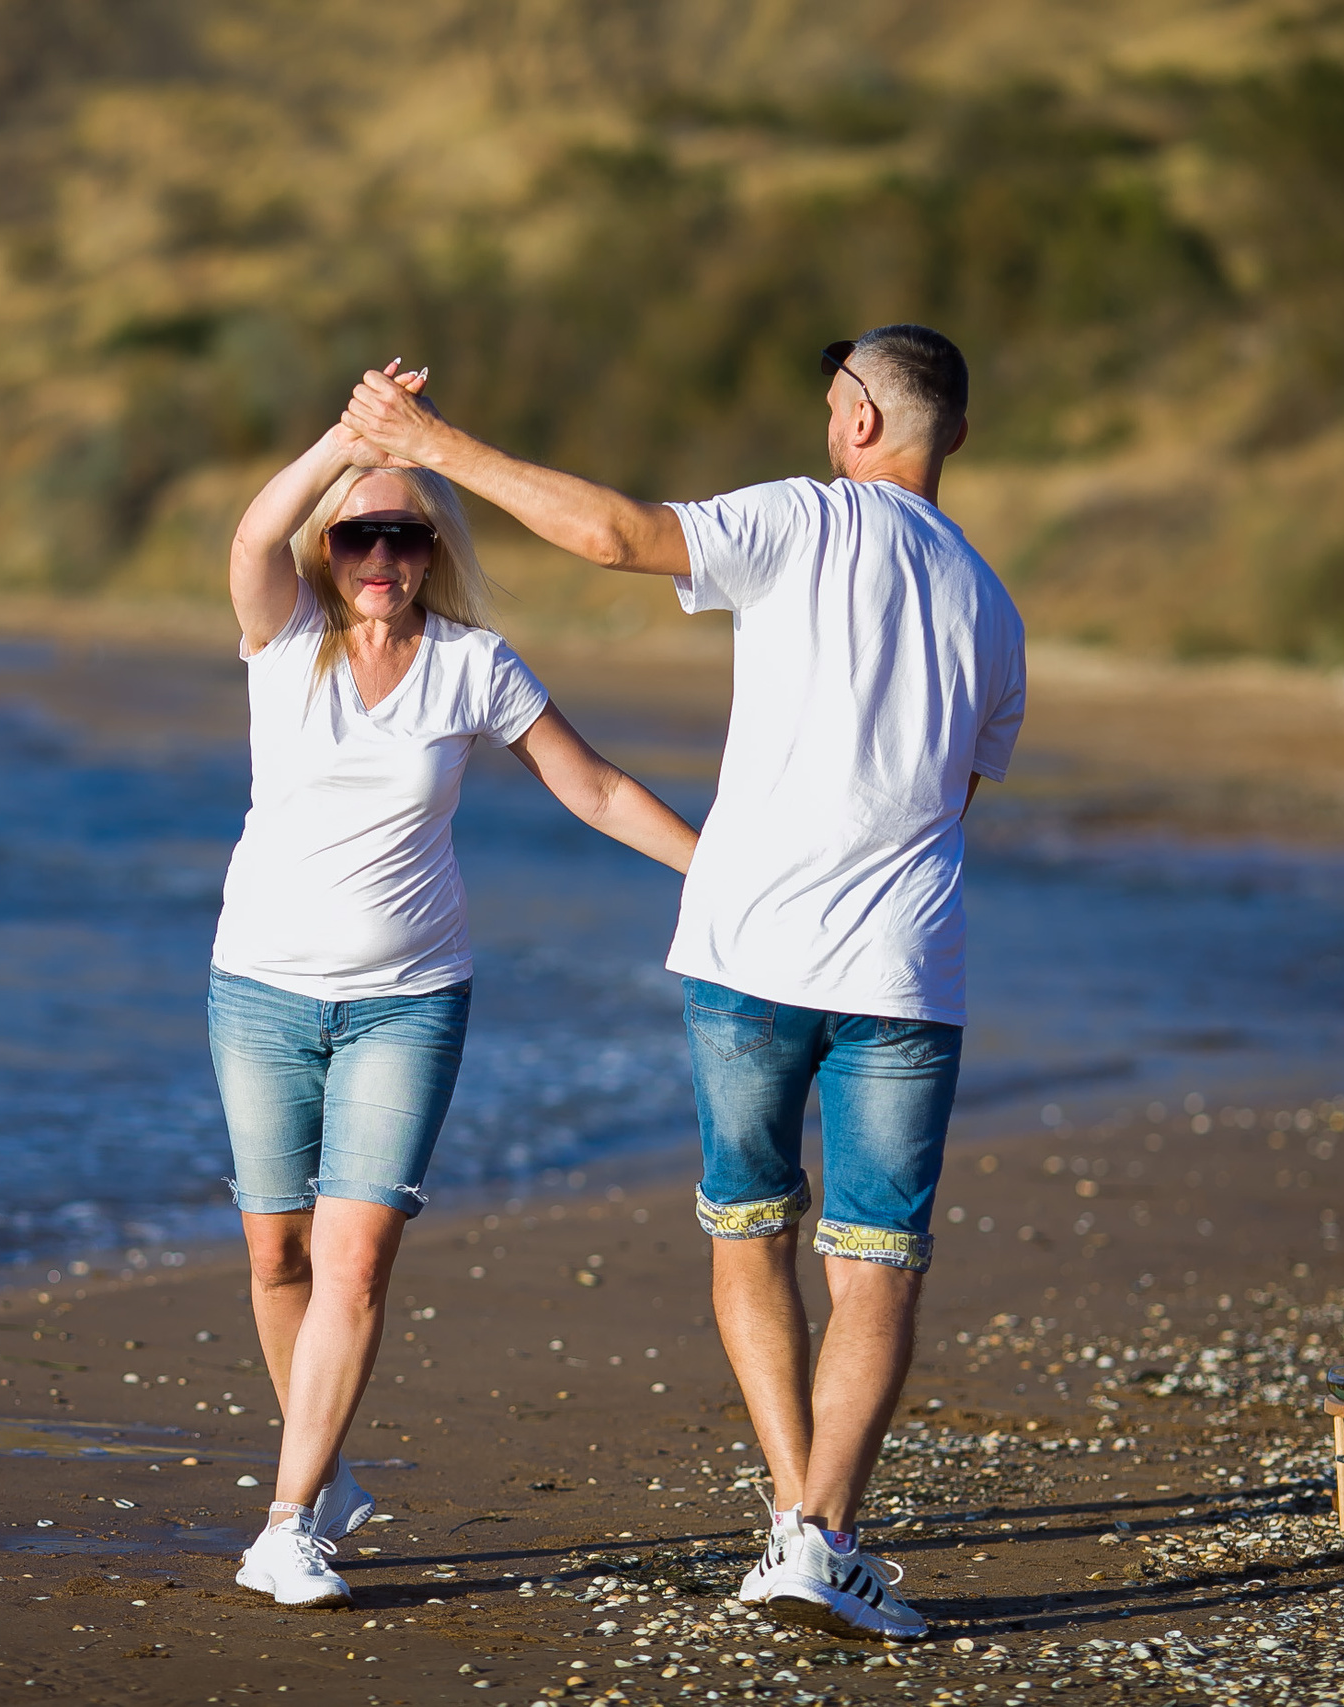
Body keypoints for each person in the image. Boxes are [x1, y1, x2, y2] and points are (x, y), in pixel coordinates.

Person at [341, 326, 1025, 1642]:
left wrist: (431, 446)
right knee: (876, 1264)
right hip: (903, 969)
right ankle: (816, 1534)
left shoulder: (805, 521)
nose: (830, 424)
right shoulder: (994, 609)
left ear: (866, 421)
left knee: (749, 1225)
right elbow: (951, 802)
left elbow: (609, 533)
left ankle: (800, 1523)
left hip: (747, 949)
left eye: (836, 402)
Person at [216, 361, 700, 1609]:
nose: (382, 555)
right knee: (277, 1258)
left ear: (434, 548)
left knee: (355, 1254)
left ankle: (288, 1523)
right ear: (334, 545)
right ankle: (319, 1470)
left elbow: (589, 787)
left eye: (406, 535)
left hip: (409, 999)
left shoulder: (474, 666)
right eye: (361, 534)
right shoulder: (282, 640)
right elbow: (255, 529)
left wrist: (716, 872)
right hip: (260, 993)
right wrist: (352, 438)